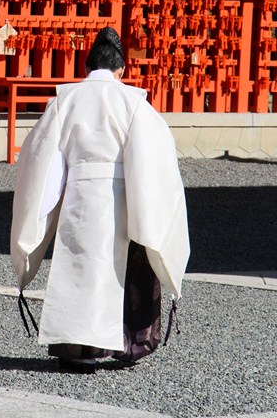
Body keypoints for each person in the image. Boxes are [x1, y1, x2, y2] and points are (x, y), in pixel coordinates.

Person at [10, 26, 190, 374]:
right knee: (129, 270)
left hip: (81, 195)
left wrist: (44, 212)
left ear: (87, 66)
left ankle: (79, 349)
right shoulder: (135, 103)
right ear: (121, 69)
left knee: (81, 269)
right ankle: (129, 344)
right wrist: (146, 208)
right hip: (126, 197)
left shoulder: (65, 99)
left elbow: (41, 161)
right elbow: (155, 162)